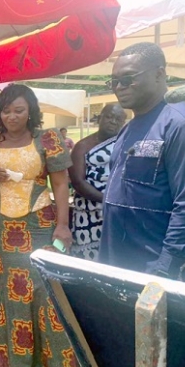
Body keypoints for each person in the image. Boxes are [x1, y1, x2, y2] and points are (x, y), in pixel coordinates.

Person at [0, 84, 78, 367]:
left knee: (42, 286)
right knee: (4, 285)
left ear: (30, 110)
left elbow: (60, 185)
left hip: (39, 223)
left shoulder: (48, 140)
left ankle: (52, 356)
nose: (12, 116)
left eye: (18, 110)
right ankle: (11, 356)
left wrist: (62, 224)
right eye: (6, 110)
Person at [99, 42, 185, 283]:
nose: (118, 87)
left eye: (127, 79)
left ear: (159, 74)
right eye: (113, 81)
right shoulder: (130, 128)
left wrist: (165, 268)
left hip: (155, 269)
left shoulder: (183, 125)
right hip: (120, 263)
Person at [69, 104, 126, 260]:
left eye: (118, 119)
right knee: (89, 259)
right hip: (89, 214)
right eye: (109, 117)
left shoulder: (125, 144)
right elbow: (78, 182)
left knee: (115, 259)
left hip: (117, 213)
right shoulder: (82, 146)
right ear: (100, 118)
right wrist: (107, 199)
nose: (113, 122)